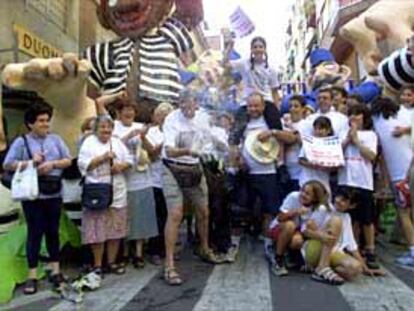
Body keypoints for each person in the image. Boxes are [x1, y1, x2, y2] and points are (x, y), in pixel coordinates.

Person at [3, 102, 71, 294]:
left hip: (54, 192)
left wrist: (53, 164)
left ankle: (56, 270)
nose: (45, 124)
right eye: (41, 121)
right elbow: (8, 164)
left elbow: (67, 160)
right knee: (35, 233)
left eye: (47, 120)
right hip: (32, 195)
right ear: (30, 123)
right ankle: (31, 276)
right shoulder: (21, 142)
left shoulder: (56, 139)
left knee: (53, 232)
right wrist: (30, 163)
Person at [162, 90, 220, 286]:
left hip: (194, 168)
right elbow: (169, 149)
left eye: (191, 106)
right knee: (176, 214)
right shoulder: (171, 119)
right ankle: (169, 264)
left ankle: (203, 247)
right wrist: (188, 150)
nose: (188, 110)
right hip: (172, 168)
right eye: (183, 106)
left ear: (197, 104)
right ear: (179, 105)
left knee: (204, 211)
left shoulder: (202, 118)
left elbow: (209, 141)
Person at [78, 114, 133, 284]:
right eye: (102, 127)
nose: (106, 130)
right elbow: (82, 165)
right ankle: (97, 265)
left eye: (109, 127)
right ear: (96, 129)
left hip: (116, 191)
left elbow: (130, 159)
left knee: (115, 229)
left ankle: (111, 262)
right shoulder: (89, 143)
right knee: (97, 229)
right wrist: (102, 158)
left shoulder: (117, 142)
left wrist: (121, 166)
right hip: (97, 192)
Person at [110, 98, 159, 269]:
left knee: (141, 217)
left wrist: (143, 137)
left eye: (131, 109)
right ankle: (123, 252)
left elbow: (152, 152)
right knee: (124, 218)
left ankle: (138, 253)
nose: (129, 113)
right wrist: (130, 135)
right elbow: (113, 148)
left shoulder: (141, 126)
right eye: (125, 110)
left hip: (143, 177)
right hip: (122, 180)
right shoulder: (114, 127)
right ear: (118, 112)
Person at [371, 97, 414, 267]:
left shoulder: (377, 123)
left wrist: (384, 182)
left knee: (404, 213)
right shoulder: (404, 116)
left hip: (399, 176)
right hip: (410, 166)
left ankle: (413, 251)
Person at [339, 104, 379, 269]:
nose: (353, 117)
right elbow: (335, 152)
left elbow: (371, 156)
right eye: (351, 114)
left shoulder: (370, 135)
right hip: (345, 180)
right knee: (350, 219)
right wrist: (348, 139)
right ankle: (351, 248)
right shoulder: (342, 133)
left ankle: (370, 250)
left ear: (364, 117)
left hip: (363, 182)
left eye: (357, 114)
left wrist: (356, 141)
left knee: (366, 219)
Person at [224, 36, 283, 150]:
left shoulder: (272, 69)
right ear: (251, 50)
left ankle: (280, 161)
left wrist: (277, 109)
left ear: (265, 49)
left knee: (278, 131)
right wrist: (229, 48)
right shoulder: (244, 63)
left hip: (266, 101)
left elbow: (275, 91)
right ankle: (234, 162)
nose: (258, 49)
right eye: (255, 47)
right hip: (247, 102)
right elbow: (225, 64)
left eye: (260, 47)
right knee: (234, 134)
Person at [267, 181, 325, 276]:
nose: (303, 195)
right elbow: (280, 217)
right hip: (281, 226)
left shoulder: (318, 208)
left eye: (307, 194)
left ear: (315, 198)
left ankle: (290, 254)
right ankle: (278, 258)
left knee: (297, 241)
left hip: (299, 231)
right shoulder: (293, 196)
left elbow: (307, 229)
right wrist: (296, 212)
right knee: (290, 225)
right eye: (302, 191)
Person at [145, 102, 175, 265]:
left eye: (167, 115)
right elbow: (152, 155)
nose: (163, 118)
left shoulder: (175, 131)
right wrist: (165, 143)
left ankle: (168, 249)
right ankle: (155, 250)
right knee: (158, 217)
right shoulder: (152, 132)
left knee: (172, 216)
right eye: (160, 115)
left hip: (173, 180)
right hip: (155, 180)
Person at [299, 116, 338, 194]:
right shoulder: (309, 142)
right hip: (306, 181)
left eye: (321, 129)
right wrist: (312, 164)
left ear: (328, 130)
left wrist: (324, 166)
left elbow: (335, 167)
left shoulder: (333, 145)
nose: (318, 131)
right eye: (316, 129)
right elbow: (301, 160)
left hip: (322, 183)